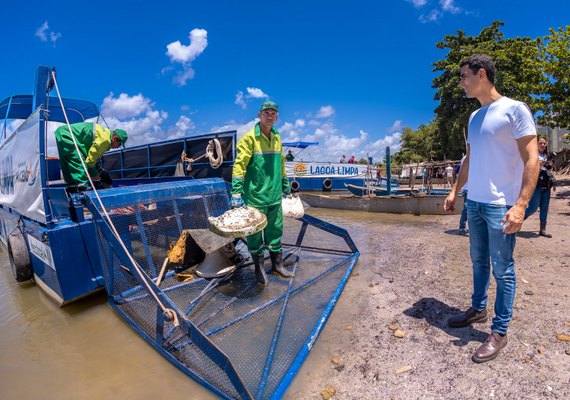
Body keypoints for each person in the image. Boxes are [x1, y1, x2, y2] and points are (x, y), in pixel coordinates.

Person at [444, 54, 539, 363]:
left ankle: (499, 331)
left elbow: (532, 159)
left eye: (464, 76)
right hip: (475, 201)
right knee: (478, 262)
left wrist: (521, 204)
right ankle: (478, 308)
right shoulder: (474, 117)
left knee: (503, 268)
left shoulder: (514, 110)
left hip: (502, 205)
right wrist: (455, 190)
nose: (461, 82)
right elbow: (469, 160)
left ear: (481, 74)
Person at [230, 101, 293, 285]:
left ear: (277, 117)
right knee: (255, 235)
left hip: (274, 197)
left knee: (275, 232)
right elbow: (239, 166)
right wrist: (236, 193)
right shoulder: (249, 139)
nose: (270, 116)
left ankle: (277, 265)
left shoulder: (277, 136)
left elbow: (281, 163)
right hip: (255, 198)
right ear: (259, 115)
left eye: (273, 113)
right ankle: (258, 268)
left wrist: (285, 184)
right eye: (266, 113)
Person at [54, 122, 127, 189]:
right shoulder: (105, 140)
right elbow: (90, 161)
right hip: (68, 135)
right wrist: (97, 177)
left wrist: (100, 170)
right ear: (115, 138)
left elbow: (91, 154)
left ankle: (72, 186)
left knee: (67, 160)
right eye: (119, 144)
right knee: (77, 159)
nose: (118, 147)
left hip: (62, 133)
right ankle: (82, 188)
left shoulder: (104, 134)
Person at [524, 136, 557, 237]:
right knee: (533, 207)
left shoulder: (547, 156)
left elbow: (549, 171)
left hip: (546, 186)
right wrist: (538, 163)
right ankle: (516, 221)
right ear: (536, 144)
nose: (542, 145)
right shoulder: (533, 156)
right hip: (536, 186)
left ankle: (542, 230)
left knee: (544, 208)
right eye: (540, 143)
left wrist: (554, 182)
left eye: (544, 143)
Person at [458, 155, 469, 236]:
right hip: (469, 187)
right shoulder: (466, 158)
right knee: (466, 207)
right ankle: (462, 227)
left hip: (472, 188)